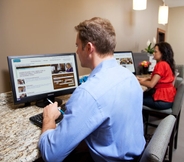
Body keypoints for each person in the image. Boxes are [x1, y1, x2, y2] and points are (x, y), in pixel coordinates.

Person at [39, 17, 145, 162]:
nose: (76, 51)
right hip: (135, 155)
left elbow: (51, 154)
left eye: (77, 45)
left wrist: (49, 118)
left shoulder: (88, 93)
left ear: (89, 48)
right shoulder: (130, 77)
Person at [137, 42, 176, 110]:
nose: (153, 54)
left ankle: (141, 119)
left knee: (135, 98)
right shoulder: (166, 64)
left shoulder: (161, 65)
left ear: (162, 53)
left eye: (155, 52)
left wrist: (138, 81)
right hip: (168, 99)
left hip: (162, 101)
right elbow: (160, 79)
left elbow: (151, 84)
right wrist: (145, 79)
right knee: (143, 94)